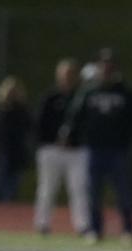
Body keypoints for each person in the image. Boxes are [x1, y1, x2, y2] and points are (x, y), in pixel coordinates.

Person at [63, 48, 132, 242]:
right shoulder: (89, 92)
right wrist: (69, 134)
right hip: (94, 149)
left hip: (119, 149)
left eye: (109, 66)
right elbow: (76, 116)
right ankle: (95, 229)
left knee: (124, 192)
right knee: (93, 192)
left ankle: (128, 229)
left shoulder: (126, 93)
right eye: (103, 66)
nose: (106, 70)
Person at [33, 58, 90, 235]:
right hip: (51, 149)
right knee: (47, 188)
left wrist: (74, 139)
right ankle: (42, 223)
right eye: (65, 74)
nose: (68, 77)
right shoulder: (50, 98)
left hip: (76, 151)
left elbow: (86, 124)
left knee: (79, 188)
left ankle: (82, 225)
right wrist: (53, 139)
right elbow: (40, 124)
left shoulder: (82, 97)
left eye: (71, 74)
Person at [0, 76, 32, 202]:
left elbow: (28, 127)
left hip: (16, 152)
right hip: (1, 151)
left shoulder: (22, 109)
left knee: (13, 185)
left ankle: (9, 212)